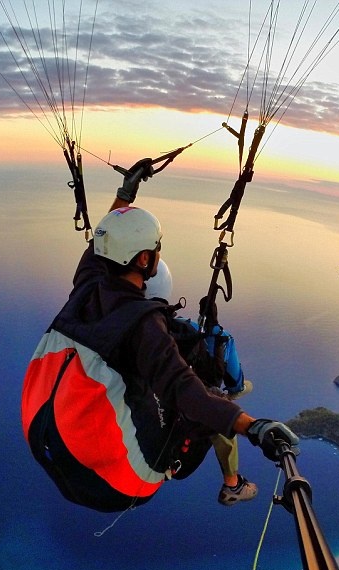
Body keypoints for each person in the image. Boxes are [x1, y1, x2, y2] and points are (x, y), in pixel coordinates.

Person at [20, 161, 299, 512]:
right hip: (113, 484)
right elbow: (184, 389)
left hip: (44, 438)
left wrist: (126, 193)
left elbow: (100, 243)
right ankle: (232, 483)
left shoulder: (87, 285)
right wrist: (253, 426)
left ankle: (229, 473)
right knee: (214, 403)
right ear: (145, 259)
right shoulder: (143, 323)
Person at [144, 259, 255, 499]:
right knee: (221, 407)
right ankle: (232, 483)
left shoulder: (111, 323)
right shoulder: (183, 330)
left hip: (139, 415)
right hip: (174, 432)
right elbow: (229, 366)